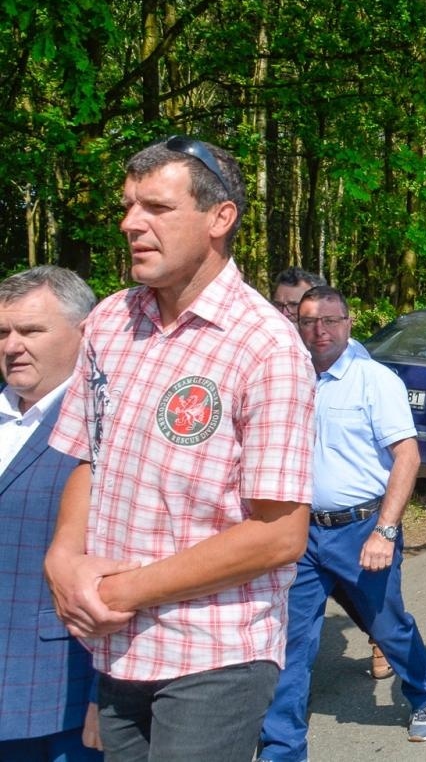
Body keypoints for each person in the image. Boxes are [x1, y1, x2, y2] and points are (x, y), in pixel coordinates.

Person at [45, 137, 317, 762]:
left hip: (213, 651)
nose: (129, 223)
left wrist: (127, 590)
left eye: (156, 208)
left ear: (220, 219)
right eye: (128, 206)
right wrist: (62, 560)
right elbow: (92, 458)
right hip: (116, 644)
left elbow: (278, 536)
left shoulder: (267, 347)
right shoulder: (111, 322)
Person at [259, 286, 426, 760]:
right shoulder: (287, 378)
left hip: (361, 529)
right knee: (292, 641)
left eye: (329, 320)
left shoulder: (373, 379)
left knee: (387, 625)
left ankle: (425, 690)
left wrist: (384, 531)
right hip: (300, 531)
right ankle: (283, 747)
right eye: (308, 321)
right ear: (295, 325)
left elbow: (407, 456)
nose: (319, 330)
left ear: (348, 323)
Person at [1, 267, 100, 762]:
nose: (12, 345)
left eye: (31, 330)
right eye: (3, 332)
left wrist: (107, 696)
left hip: (60, 691)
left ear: (84, 333)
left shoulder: (107, 430)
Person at [269, 266, 387, 680]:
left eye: (294, 305)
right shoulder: (274, 356)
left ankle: (383, 641)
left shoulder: (354, 363)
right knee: (297, 616)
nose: (287, 313)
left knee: (368, 601)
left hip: (348, 514)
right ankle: (280, 732)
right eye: (281, 306)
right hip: (292, 508)